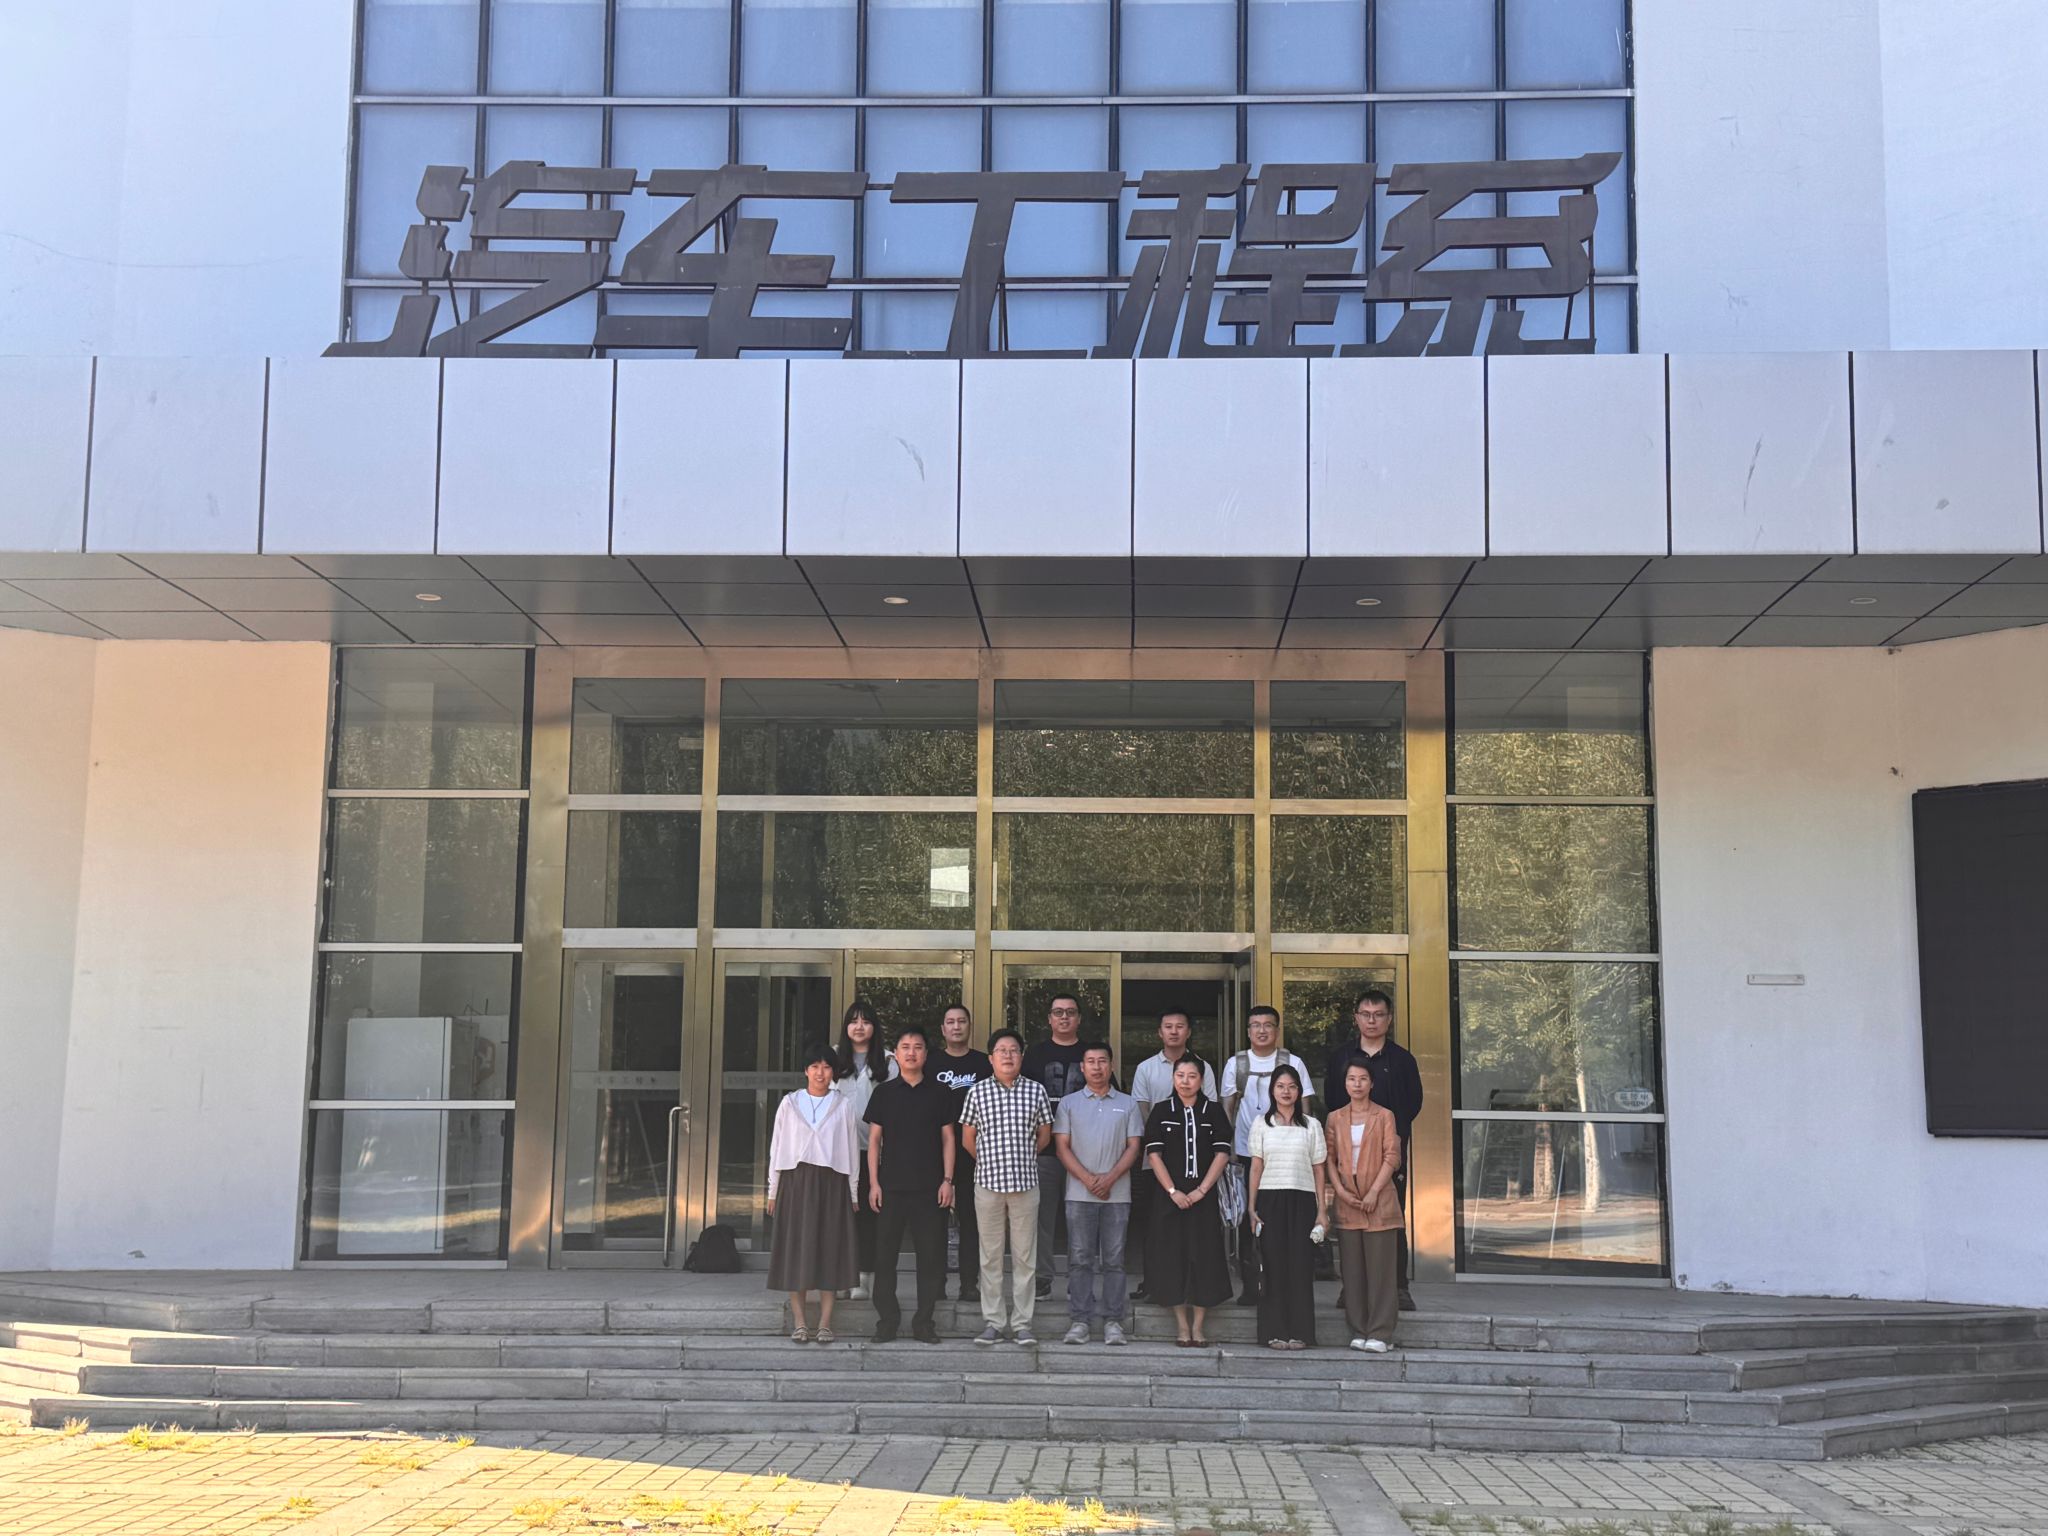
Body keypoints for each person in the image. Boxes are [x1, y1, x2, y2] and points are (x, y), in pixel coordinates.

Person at [1322, 989, 1423, 1310]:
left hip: (1388, 1155)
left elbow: (1413, 1103)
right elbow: (1332, 1099)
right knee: (1349, 1222)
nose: (1372, 1020)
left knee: (1391, 1219)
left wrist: (1389, 1136)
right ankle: (1351, 1289)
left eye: (1378, 1015)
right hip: (1348, 1153)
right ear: (1356, 1018)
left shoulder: (1402, 1060)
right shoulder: (1341, 1058)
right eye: (1365, 1014)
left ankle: (1398, 1287)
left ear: (1389, 1019)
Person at [959, 1028, 1054, 1345]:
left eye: (1014, 1050)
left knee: (1025, 1257)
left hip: (1025, 1185)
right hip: (988, 1185)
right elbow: (968, 1139)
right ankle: (994, 1322)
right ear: (991, 1058)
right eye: (1001, 1050)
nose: (1008, 1055)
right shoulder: (977, 1092)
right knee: (991, 1257)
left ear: (1021, 1056)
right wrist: (991, 1161)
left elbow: (1044, 1135)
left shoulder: (1036, 1091)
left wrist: (1021, 1158)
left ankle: (1023, 1323)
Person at [862, 1025, 957, 1344]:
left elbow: (948, 1139)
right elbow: (874, 1142)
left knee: (929, 1259)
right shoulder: (884, 1093)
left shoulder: (940, 1092)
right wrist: (874, 1183)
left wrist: (948, 1180)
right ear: (896, 1055)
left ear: (926, 1054)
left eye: (918, 1047)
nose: (912, 1052)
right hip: (890, 1188)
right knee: (884, 1257)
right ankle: (887, 1321)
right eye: (905, 1047)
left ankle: (924, 1322)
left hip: (930, 1188)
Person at [766, 1046, 862, 1344]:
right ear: (806, 1070)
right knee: (796, 1249)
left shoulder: (842, 1105)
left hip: (832, 1183)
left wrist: (853, 1191)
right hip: (795, 1182)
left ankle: (824, 1323)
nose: (820, 1073)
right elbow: (776, 1148)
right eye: (815, 1066)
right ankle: (799, 1322)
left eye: (826, 1067)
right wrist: (772, 1190)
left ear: (834, 1072)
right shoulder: (790, 1103)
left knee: (829, 1249)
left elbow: (851, 1151)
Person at [1218, 1006, 1313, 1307]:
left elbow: (1306, 1109)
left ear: (1277, 1030)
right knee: (1250, 1221)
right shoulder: (1236, 1064)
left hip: (1287, 1157)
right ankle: (1251, 1287)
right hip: (1247, 1154)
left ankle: (1282, 1287)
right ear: (1248, 1031)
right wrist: (1229, 1150)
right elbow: (1227, 1109)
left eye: (1268, 1025)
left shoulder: (1293, 1062)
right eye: (1255, 1025)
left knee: (1284, 1221)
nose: (1261, 1030)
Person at [1051, 1043, 1144, 1346]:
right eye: (1090, 1061)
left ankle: (1113, 1321)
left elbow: (1134, 1146)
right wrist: (1089, 1179)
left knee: (1114, 1260)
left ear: (1111, 1066)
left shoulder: (1128, 1104)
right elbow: (1061, 1147)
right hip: (1079, 1194)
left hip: (1117, 1195)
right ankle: (1080, 1320)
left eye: (1102, 1061)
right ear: (1082, 1067)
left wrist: (1109, 1178)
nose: (1096, 1067)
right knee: (1080, 1259)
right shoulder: (1069, 1103)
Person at [1141, 1056, 1234, 1347]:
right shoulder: (1161, 1111)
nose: (1185, 1081)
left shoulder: (1214, 1111)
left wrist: (1202, 1190)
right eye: (1180, 1075)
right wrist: (1173, 1191)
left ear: (1201, 1080)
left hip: (1204, 1197)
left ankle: (1199, 1326)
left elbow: (1222, 1153)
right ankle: (1182, 1326)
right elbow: (1153, 1155)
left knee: (1204, 1257)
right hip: (1169, 1198)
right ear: (1173, 1078)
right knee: (1173, 1258)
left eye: (1191, 1076)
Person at [1125, 1008, 1217, 1301]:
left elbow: (1210, 1111)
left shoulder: (1203, 1067)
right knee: (1155, 1225)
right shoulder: (1146, 1068)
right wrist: (1156, 1145)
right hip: (1155, 1160)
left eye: (1180, 1026)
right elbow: (1142, 1112)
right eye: (1168, 1026)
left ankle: (1189, 1284)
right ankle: (1153, 1282)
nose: (1174, 1031)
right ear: (1159, 1032)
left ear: (1188, 1032)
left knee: (1192, 1230)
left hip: (1195, 1163)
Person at [1324, 1059, 1403, 1352]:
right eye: (1351, 1079)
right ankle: (1358, 1329)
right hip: (1348, 1199)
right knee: (1352, 1271)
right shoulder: (1335, 1118)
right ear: (1344, 1084)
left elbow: (1392, 1156)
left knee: (1381, 1272)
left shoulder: (1384, 1115)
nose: (1357, 1084)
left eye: (1363, 1079)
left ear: (1372, 1083)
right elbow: (1328, 1157)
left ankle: (1380, 1333)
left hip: (1379, 1199)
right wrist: (1340, 1192)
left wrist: (1373, 1192)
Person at [1246, 1063, 1327, 1350]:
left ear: (1299, 1091)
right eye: (1280, 1086)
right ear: (1272, 1091)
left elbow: (1319, 1169)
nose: (1286, 1091)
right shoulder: (1261, 1124)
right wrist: (1251, 1208)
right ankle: (1274, 1331)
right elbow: (1256, 1167)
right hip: (1270, 1200)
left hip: (1303, 1200)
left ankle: (1301, 1332)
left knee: (1300, 1266)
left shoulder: (1312, 1126)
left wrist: (1322, 1210)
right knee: (1273, 1266)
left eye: (1292, 1086)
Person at [1022, 994, 1092, 1298]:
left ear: (1079, 1018)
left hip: (1085, 1153)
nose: (1064, 1017)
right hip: (1044, 1152)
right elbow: (1020, 1100)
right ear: (1050, 1019)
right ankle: (1042, 1278)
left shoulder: (1091, 1054)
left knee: (1081, 1220)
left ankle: (1081, 1280)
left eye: (1070, 1012)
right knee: (1042, 1218)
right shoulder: (1034, 1056)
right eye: (1058, 1012)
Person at [830, 1000, 891, 1300]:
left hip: (873, 1154)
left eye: (865, 1021)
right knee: (839, 1218)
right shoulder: (831, 1058)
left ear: (874, 1027)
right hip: (836, 1154)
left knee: (867, 1216)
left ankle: (864, 1277)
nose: (859, 1026)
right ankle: (841, 1275)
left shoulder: (889, 1061)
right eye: (853, 1021)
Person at [932, 1003, 992, 1303]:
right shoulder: (930, 1063)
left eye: (962, 1021)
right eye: (951, 1022)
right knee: (934, 1225)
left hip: (975, 1154)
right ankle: (935, 1283)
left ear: (969, 1026)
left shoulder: (984, 1064)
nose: (956, 1027)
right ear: (943, 1029)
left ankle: (969, 1283)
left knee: (971, 1223)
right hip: (935, 1155)